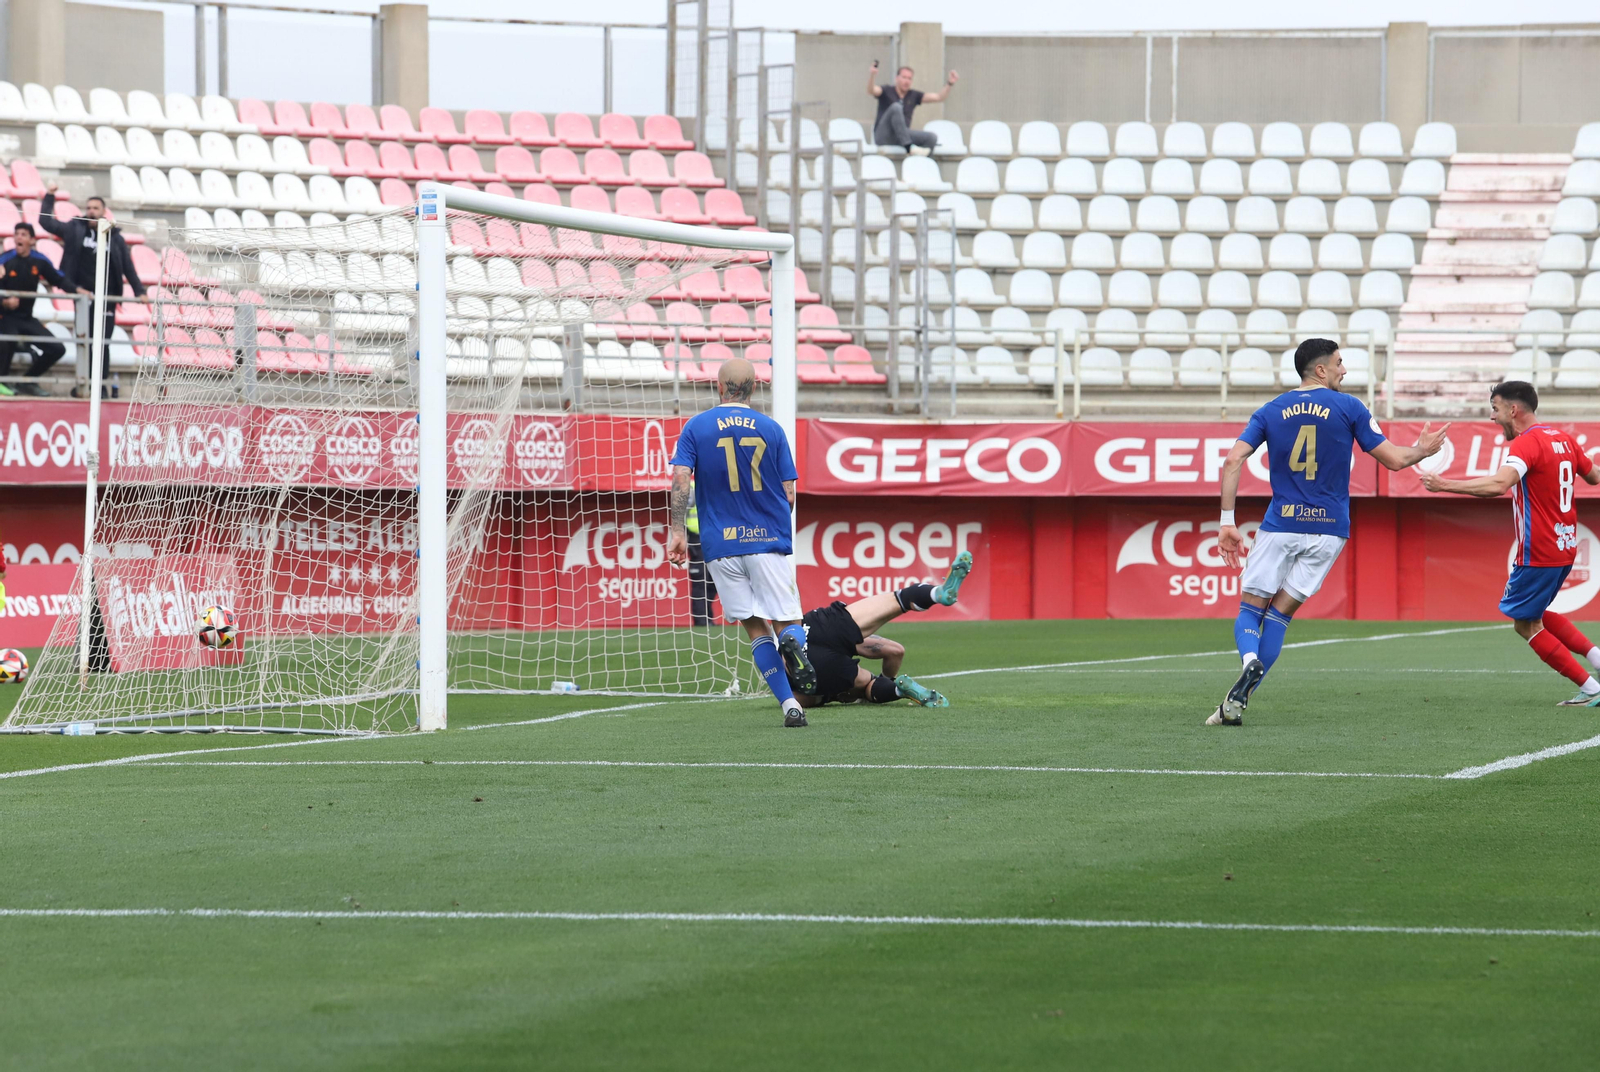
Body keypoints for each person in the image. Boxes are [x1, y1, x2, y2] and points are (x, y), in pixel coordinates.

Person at [1208, 338, 1449, 726]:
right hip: (1329, 530)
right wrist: (1421, 449)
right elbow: (1394, 460)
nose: (1344, 370)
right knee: (1280, 618)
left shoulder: (1271, 410)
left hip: (1281, 524)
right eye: (1339, 363)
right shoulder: (1351, 407)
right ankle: (1235, 704)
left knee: (1251, 609)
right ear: (1320, 370)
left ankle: (1249, 661)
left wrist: (1226, 522)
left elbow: (1235, 457)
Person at [1419, 381, 1600, 705]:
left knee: (1525, 624)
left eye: (1495, 408)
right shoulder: (1564, 439)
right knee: (1538, 613)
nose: (1492, 417)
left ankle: (1591, 689)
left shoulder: (1526, 444)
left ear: (1513, 410)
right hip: (1566, 545)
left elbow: (1499, 484)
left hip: (1539, 550)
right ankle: (1597, 663)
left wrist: (1444, 484)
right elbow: (1594, 476)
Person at [667, 357, 816, 727]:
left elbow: (681, 480)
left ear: (719, 387)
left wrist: (677, 532)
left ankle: (790, 707)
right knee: (787, 620)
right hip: (766, 539)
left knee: (754, 627)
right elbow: (790, 494)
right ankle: (794, 644)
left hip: (720, 546)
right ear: (754, 387)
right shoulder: (772, 429)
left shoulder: (696, 427)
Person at [788, 552, 972, 710]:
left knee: (860, 686)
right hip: (821, 626)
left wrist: (829, 696)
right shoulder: (853, 641)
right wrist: (884, 680)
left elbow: (797, 699)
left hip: (811, 664)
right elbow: (895, 650)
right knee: (901, 598)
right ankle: (937, 593)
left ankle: (898, 690)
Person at [38, 184, 149, 395]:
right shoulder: (75, 229)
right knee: (85, 340)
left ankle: (100, 386)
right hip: (82, 296)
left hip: (107, 298)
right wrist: (50, 196)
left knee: (102, 342)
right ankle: (85, 385)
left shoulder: (115, 238)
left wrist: (139, 290)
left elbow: (128, 266)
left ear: (104, 212)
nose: (91, 211)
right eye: (88, 208)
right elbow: (45, 222)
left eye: (95, 208)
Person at [0, 222, 87, 396]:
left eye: (23, 234)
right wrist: (4, 302)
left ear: (32, 240)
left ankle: (29, 381)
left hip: (26, 318)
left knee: (57, 349)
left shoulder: (39, 260)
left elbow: (59, 279)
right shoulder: (5, 259)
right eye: (16, 234)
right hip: (6, 317)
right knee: (7, 338)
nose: (19, 237)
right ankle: (2, 381)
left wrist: (78, 290)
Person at [867, 61, 958, 154]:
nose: (907, 81)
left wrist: (949, 83)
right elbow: (871, 90)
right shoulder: (887, 90)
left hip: (901, 136)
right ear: (897, 78)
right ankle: (908, 147)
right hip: (884, 136)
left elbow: (939, 97)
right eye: (904, 77)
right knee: (896, 107)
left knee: (932, 138)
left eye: (909, 78)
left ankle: (921, 166)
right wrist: (872, 75)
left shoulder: (913, 95)